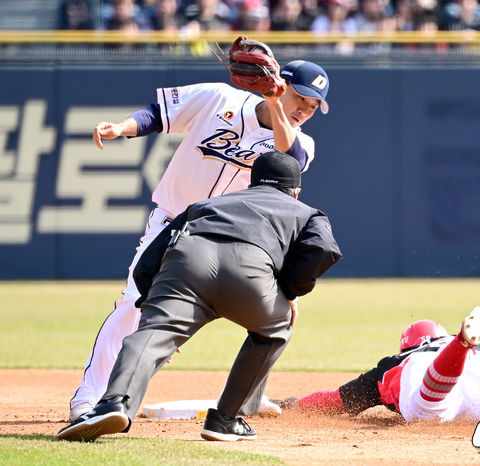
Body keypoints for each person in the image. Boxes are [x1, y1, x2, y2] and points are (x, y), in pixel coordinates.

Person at [67, 58, 332, 423]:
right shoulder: (218, 98)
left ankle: (246, 402)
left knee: (273, 317)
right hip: (171, 220)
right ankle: (88, 399)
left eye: (314, 106)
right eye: (301, 98)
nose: (306, 109)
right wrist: (121, 128)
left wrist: (274, 102)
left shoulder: (303, 142)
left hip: (229, 241)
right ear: (282, 84)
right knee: (132, 304)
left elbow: (292, 158)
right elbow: (158, 114)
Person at [57, 151, 342, 442]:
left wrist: (151, 307)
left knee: (151, 333)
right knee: (277, 328)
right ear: (296, 192)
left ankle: (113, 402)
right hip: (252, 275)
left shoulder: (207, 204)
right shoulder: (307, 212)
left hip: (188, 263)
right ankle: (226, 419)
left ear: (251, 183)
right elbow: (323, 248)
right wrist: (289, 290)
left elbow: (151, 256)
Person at [279, 304, 480, 422]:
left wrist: (292, 404)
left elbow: (335, 401)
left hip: (431, 370)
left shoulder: (396, 361)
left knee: (428, 411)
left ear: (406, 344)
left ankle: (460, 343)